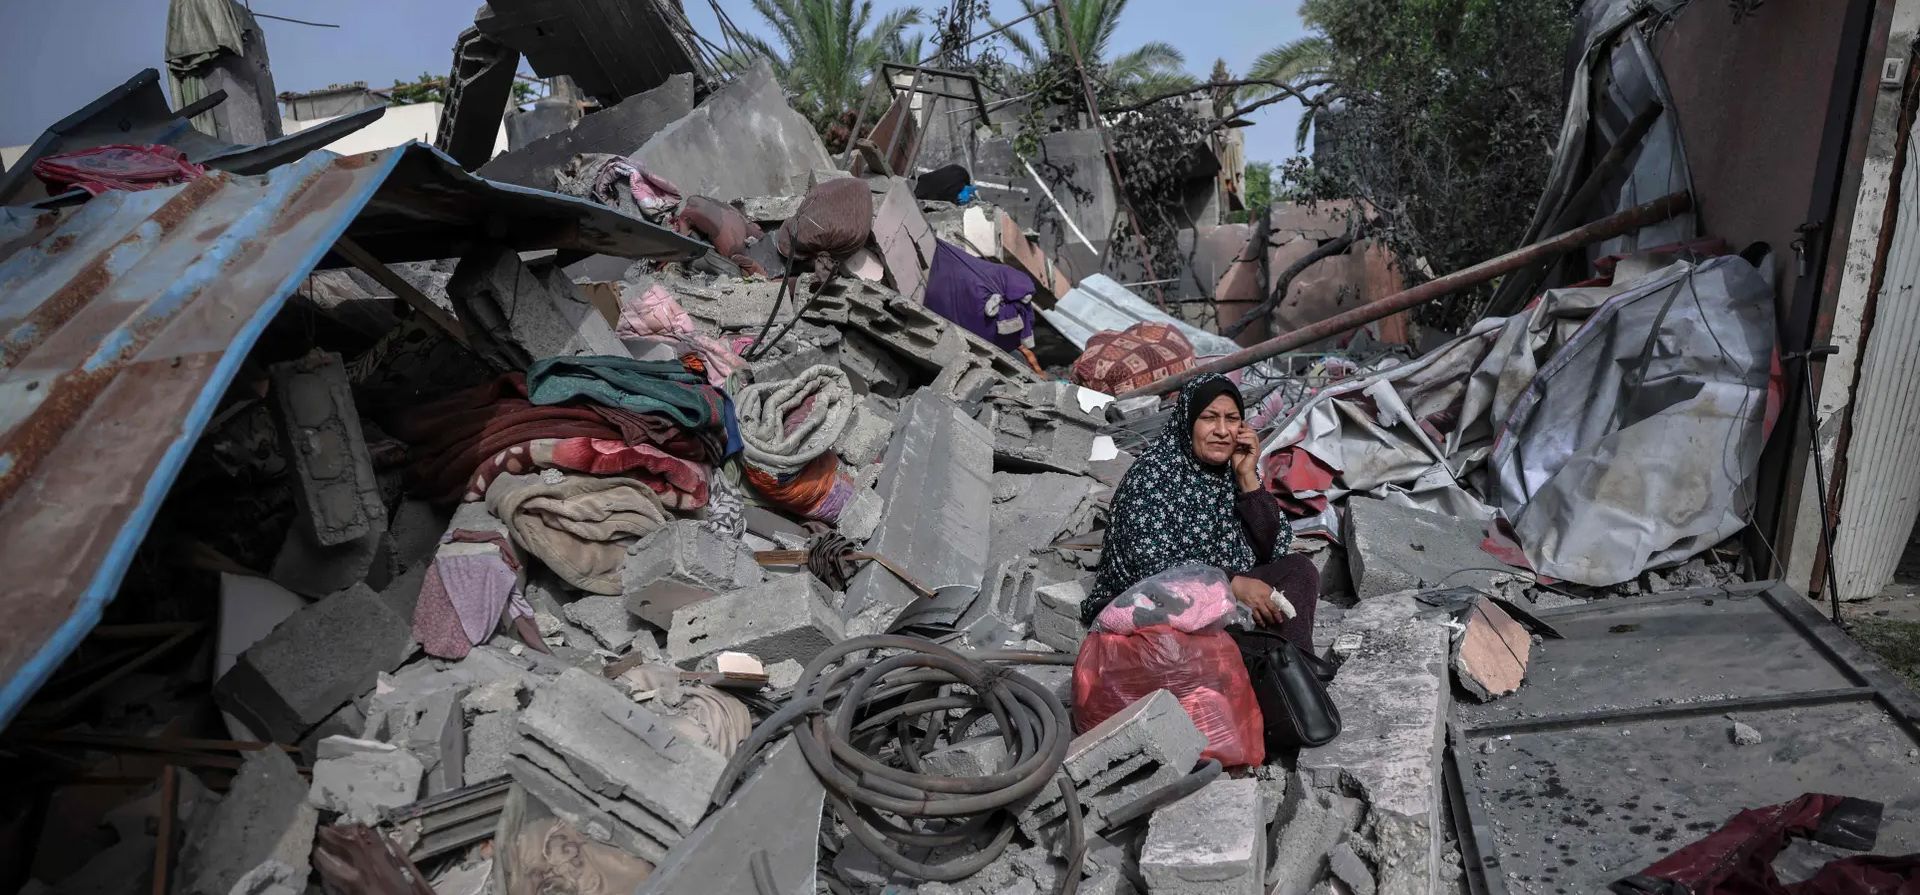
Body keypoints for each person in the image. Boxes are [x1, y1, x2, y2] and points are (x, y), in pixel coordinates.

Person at [1083, 374, 1320, 646]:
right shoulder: (1153, 475)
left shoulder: (1234, 470)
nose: (1222, 430)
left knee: (1299, 570)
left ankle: (1293, 670)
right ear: (1188, 422)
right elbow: (1149, 566)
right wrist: (1232, 584)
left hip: (1218, 592)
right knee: (1222, 637)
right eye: (1209, 418)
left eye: (1231, 419)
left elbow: (1273, 548)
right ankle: (1274, 670)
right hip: (1153, 597)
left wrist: (1247, 480)